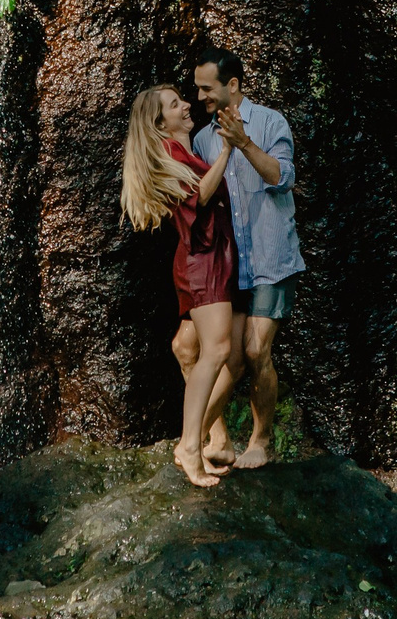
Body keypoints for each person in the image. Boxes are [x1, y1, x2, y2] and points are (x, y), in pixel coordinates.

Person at [121, 84, 240, 486]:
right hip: (204, 262)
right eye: (175, 105)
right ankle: (190, 446)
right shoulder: (170, 152)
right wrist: (228, 149)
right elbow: (200, 197)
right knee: (219, 349)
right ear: (160, 123)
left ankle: (215, 438)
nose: (187, 105)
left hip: (202, 259)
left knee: (187, 346)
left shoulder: (179, 152)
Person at [191, 47, 301, 469]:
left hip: (272, 258)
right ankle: (213, 437)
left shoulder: (271, 122)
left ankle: (262, 440)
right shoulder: (202, 140)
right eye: (198, 89)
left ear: (233, 85)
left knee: (256, 351)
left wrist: (244, 143)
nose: (200, 97)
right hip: (229, 265)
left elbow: (283, 177)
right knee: (221, 354)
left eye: (207, 88)